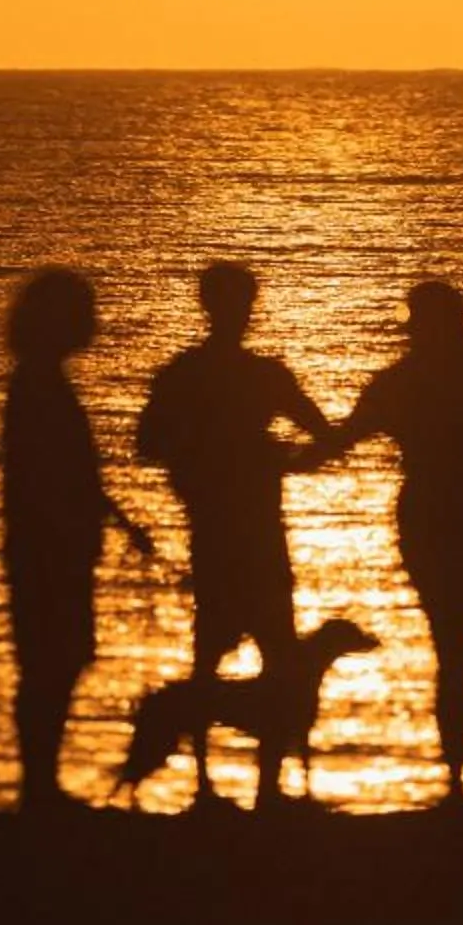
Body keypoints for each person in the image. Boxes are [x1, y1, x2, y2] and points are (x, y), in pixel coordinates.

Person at [326, 278, 463, 805]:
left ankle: (462, 784)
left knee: (455, 657)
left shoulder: (400, 383)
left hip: (438, 524)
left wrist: (270, 458)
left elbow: (338, 440)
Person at [136, 261, 333, 796]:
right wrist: (274, 457)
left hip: (224, 531)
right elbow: (327, 440)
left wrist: (268, 458)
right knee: (274, 657)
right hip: (246, 532)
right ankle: (256, 786)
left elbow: (149, 443)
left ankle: (211, 783)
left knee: (221, 656)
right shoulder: (261, 376)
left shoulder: (187, 374)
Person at [0, 265, 152, 809]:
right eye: (84, 313)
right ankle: (38, 785)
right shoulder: (40, 388)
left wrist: (122, 523)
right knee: (50, 663)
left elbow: (77, 478)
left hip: (55, 546)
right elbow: (51, 477)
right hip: (49, 550)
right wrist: (75, 530)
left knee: (56, 661)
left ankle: (40, 782)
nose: (95, 323)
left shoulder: (43, 384)